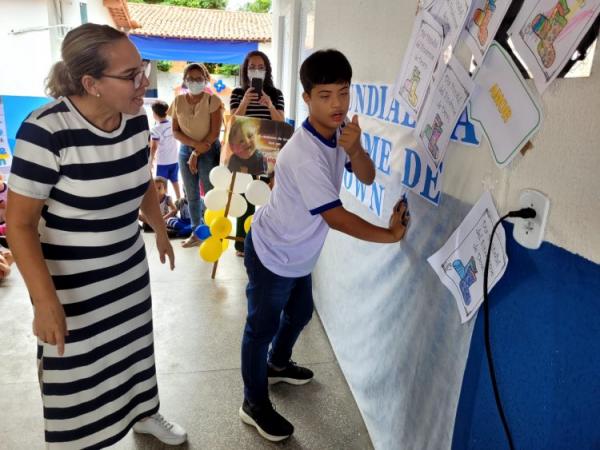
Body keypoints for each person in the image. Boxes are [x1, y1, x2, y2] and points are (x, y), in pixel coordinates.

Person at [6, 23, 186, 448]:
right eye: (131, 76)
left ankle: (145, 412)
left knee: (135, 347)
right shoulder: (46, 130)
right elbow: (19, 224)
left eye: (142, 70)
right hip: (71, 283)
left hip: (126, 266)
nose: (143, 83)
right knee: (77, 369)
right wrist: (44, 300)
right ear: (91, 83)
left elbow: (141, 179)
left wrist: (159, 228)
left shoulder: (135, 120)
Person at [238, 49, 410, 442]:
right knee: (260, 327)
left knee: (299, 315)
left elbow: (365, 178)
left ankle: (278, 365)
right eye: (325, 95)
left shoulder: (339, 134)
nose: (337, 104)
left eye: (344, 93)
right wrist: (389, 235)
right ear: (307, 98)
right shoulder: (304, 152)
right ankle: (253, 402)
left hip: (300, 253)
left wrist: (355, 149)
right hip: (272, 252)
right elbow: (335, 217)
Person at [230, 50, 285, 256]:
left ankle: (265, 241)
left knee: (267, 196)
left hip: (268, 152)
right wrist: (244, 102)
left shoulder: (276, 94)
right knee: (244, 196)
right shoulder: (237, 93)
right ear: (245, 70)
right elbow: (233, 120)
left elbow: (281, 122)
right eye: (252, 67)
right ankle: (242, 244)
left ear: (267, 70)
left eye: (261, 67)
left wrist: (269, 105)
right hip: (244, 151)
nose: (256, 70)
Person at [169, 63, 224, 247]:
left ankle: (210, 232)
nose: (195, 82)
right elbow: (175, 131)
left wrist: (198, 152)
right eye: (190, 79)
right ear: (185, 80)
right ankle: (196, 233)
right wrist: (193, 149)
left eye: (199, 78)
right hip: (186, 150)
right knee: (190, 193)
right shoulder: (177, 101)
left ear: (206, 80)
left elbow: (215, 132)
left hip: (209, 150)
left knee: (210, 193)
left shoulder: (213, 101)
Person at [150, 100, 181, 200]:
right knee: (175, 181)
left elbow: (154, 147)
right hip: (174, 159)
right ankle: (179, 199)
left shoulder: (156, 129)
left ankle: (162, 202)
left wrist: (150, 160)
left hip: (162, 162)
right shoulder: (173, 124)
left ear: (155, 114)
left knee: (160, 184)